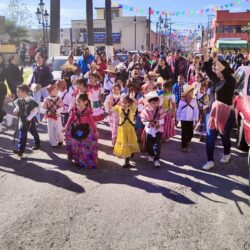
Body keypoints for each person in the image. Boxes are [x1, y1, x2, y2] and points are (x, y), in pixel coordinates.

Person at [202, 55, 236, 170]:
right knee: (210, 138)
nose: (215, 69)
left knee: (225, 136)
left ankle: (227, 153)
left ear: (223, 69)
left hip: (225, 114)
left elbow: (225, 71)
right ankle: (210, 160)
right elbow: (207, 69)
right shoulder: (216, 80)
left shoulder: (230, 80)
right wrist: (206, 56)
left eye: (216, 68)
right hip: (212, 113)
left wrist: (216, 59)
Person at [63, 93, 98, 169]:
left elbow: (92, 122)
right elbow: (71, 119)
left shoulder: (88, 111)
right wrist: (66, 127)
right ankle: (77, 160)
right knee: (75, 144)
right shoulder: (74, 109)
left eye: (79, 101)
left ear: (85, 102)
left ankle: (84, 161)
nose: (77, 103)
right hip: (76, 129)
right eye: (76, 101)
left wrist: (95, 131)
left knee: (84, 145)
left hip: (85, 130)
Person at [113, 94, 140, 168]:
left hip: (130, 130)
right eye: (122, 102)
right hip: (122, 130)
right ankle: (126, 161)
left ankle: (130, 153)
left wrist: (133, 98)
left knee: (131, 143)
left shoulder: (132, 108)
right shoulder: (118, 108)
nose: (124, 104)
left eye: (125, 103)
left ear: (129, 103)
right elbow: (110, 109)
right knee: (125, 144)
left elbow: (137, 104)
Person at [13, 85, 41, 157]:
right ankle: (20, 150)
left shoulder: (30, 101)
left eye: (18, 91)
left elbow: (35, 111)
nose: (17, 93)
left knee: (34, 132)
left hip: (30, 121)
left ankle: (37, 143)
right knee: (23, 135)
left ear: (24, 92)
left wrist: (29, 117)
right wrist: (16, 111)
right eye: (17, 91)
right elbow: (17, 107)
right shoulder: (19, 100)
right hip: (22, 121)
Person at [140, 91, 166, 168]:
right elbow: (143, 119)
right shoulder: (145, 110)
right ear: (149, 102)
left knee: (157, 145)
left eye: (156, 102)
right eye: (153, 103)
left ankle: (156, 159)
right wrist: (149, 123)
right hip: (149, 130)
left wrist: (158, 122)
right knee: (149, 144)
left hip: (158, 130)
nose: (155, 104)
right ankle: (151, 154)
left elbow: (163, 120)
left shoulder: (160, 109)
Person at [30, 52, 54, 122]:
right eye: (36, 57)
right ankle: (37, 119)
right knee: (36, 103)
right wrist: (31, 84)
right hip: (36, 88)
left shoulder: (46, 67)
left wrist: (42, 85)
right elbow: (33, 76)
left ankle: (49, 116)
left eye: (39, 57)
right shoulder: (34, 65)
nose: (37, 59)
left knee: (48, 102)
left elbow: (50, 78)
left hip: (44, 88)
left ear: (43, 59)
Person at [176, 84, 199, 153]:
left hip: (190, 119)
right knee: (184, 133)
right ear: (186, 93)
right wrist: (177, 118)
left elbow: (196, 110)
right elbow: (179, 110)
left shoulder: (194, 101)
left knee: (191, 133)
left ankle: (187, 140)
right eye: (191, 92)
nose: (192, 93)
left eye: (193, 92)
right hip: (183, 119)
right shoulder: (181, 101)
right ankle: (184, 146)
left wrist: (196, 118)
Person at [0, 53, 7, 132]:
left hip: (1, 88)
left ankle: (0, 123)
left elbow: (9, 80)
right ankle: (4, 113)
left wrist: (13, 90)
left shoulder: (5, 68)